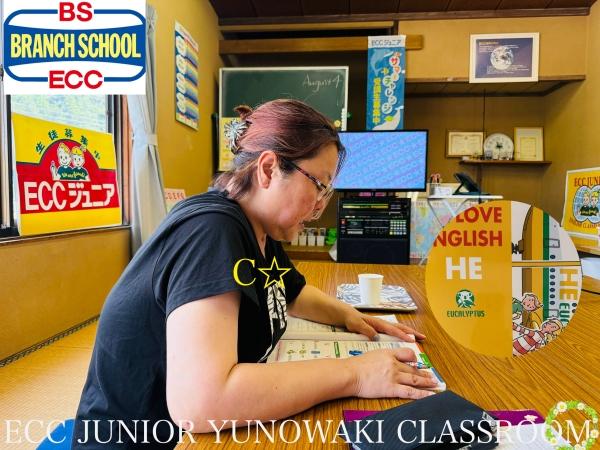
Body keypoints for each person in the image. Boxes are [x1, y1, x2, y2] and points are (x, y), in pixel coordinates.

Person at [72, 99, 436, 449]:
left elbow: (291, 292)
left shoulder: (259, 227)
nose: (320, 206)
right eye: (319, 185)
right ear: (268, 169)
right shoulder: (212, 231)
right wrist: (356, 373)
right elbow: (200, 403)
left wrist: (351, 317)